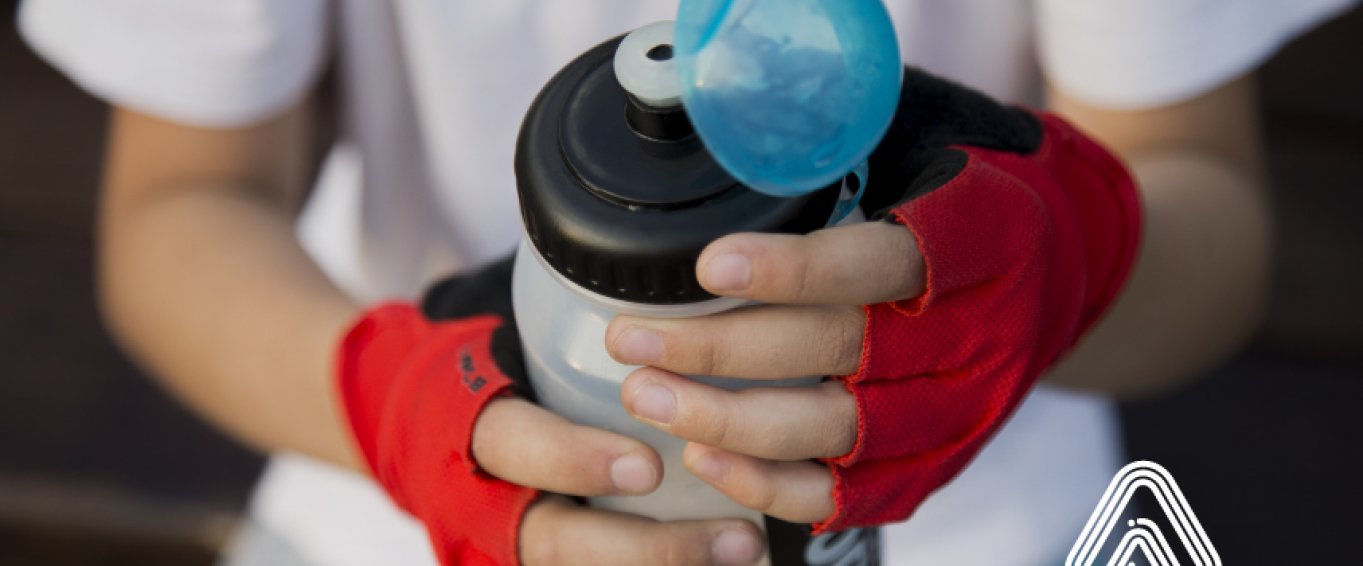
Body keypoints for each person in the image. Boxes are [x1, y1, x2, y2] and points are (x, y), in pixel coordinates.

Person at [17, 0, 1357, 564]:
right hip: (405, 500)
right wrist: (387, 398)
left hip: (972, 503)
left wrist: (1074, 258)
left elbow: (1203, 207)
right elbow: (184, 206)